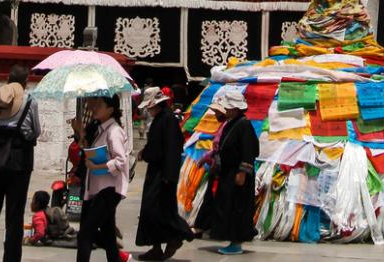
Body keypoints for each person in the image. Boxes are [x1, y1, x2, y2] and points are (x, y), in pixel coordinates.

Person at [0, 64, 41, 262]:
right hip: (18, 163)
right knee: (14, 217)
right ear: (25, 81)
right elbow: (35, 131)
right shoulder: (30, 101)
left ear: (8, 78)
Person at [135, 86, 193, 260]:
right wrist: (144, 151)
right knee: (152, 211)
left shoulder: (168, 120)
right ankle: (156, 246)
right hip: (156, 172)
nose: (147, 110)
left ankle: (180, 235)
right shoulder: (161, 119)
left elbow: (171, 150)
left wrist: (169, 176)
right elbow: (156, 145)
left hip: (164, 174)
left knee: (161, 210)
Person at [206, 86, 259, 256]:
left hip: (238, 174)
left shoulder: (244, 126)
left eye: (228, 108)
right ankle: (230, 239)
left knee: (238, 207)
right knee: (228, 206)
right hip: (229, 173)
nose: (225, 111)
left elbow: (249, 151)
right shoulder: (232, 124)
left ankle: (236, 242)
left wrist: (243, 172)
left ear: (236, 109)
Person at [76, 94, 129, 262]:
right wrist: (80, 133)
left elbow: (121, 161)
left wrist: (97, 166)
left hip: (109, 189)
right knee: (107, 235)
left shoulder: (114, 132)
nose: (94, 107)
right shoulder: (101, 129)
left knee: (85, 233)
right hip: (99, 187)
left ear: (110, 110)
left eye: (100, 105)